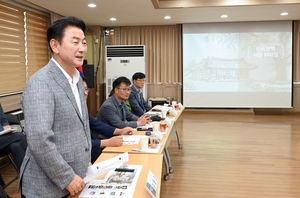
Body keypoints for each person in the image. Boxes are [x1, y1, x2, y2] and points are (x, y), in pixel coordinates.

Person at [20, 16, 91, 198]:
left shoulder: (76, 80)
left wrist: (86, 160)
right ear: (55, 45)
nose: (82, 48)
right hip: (47, 188)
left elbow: (81, 126)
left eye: (83, 42)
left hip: (77, 179)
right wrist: (67, 177)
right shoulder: (41, 82)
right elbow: (39, 139)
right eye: (75, 42)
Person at [81, 76, 133, 163]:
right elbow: (78, 144)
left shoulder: (82, 108)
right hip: (96, 145)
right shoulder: (108, 105)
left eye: (86, 89)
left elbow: (96, 124)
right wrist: (107, 142)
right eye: (125, 89)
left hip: (94, 146)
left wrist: (119, 131)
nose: (85, 93)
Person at [0, 103, 27, 197]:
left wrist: (7, 127)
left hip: (2, 138)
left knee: (16, 146)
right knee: (20, 136)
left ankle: (25, 183)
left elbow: (3, 120)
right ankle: (33, 172)